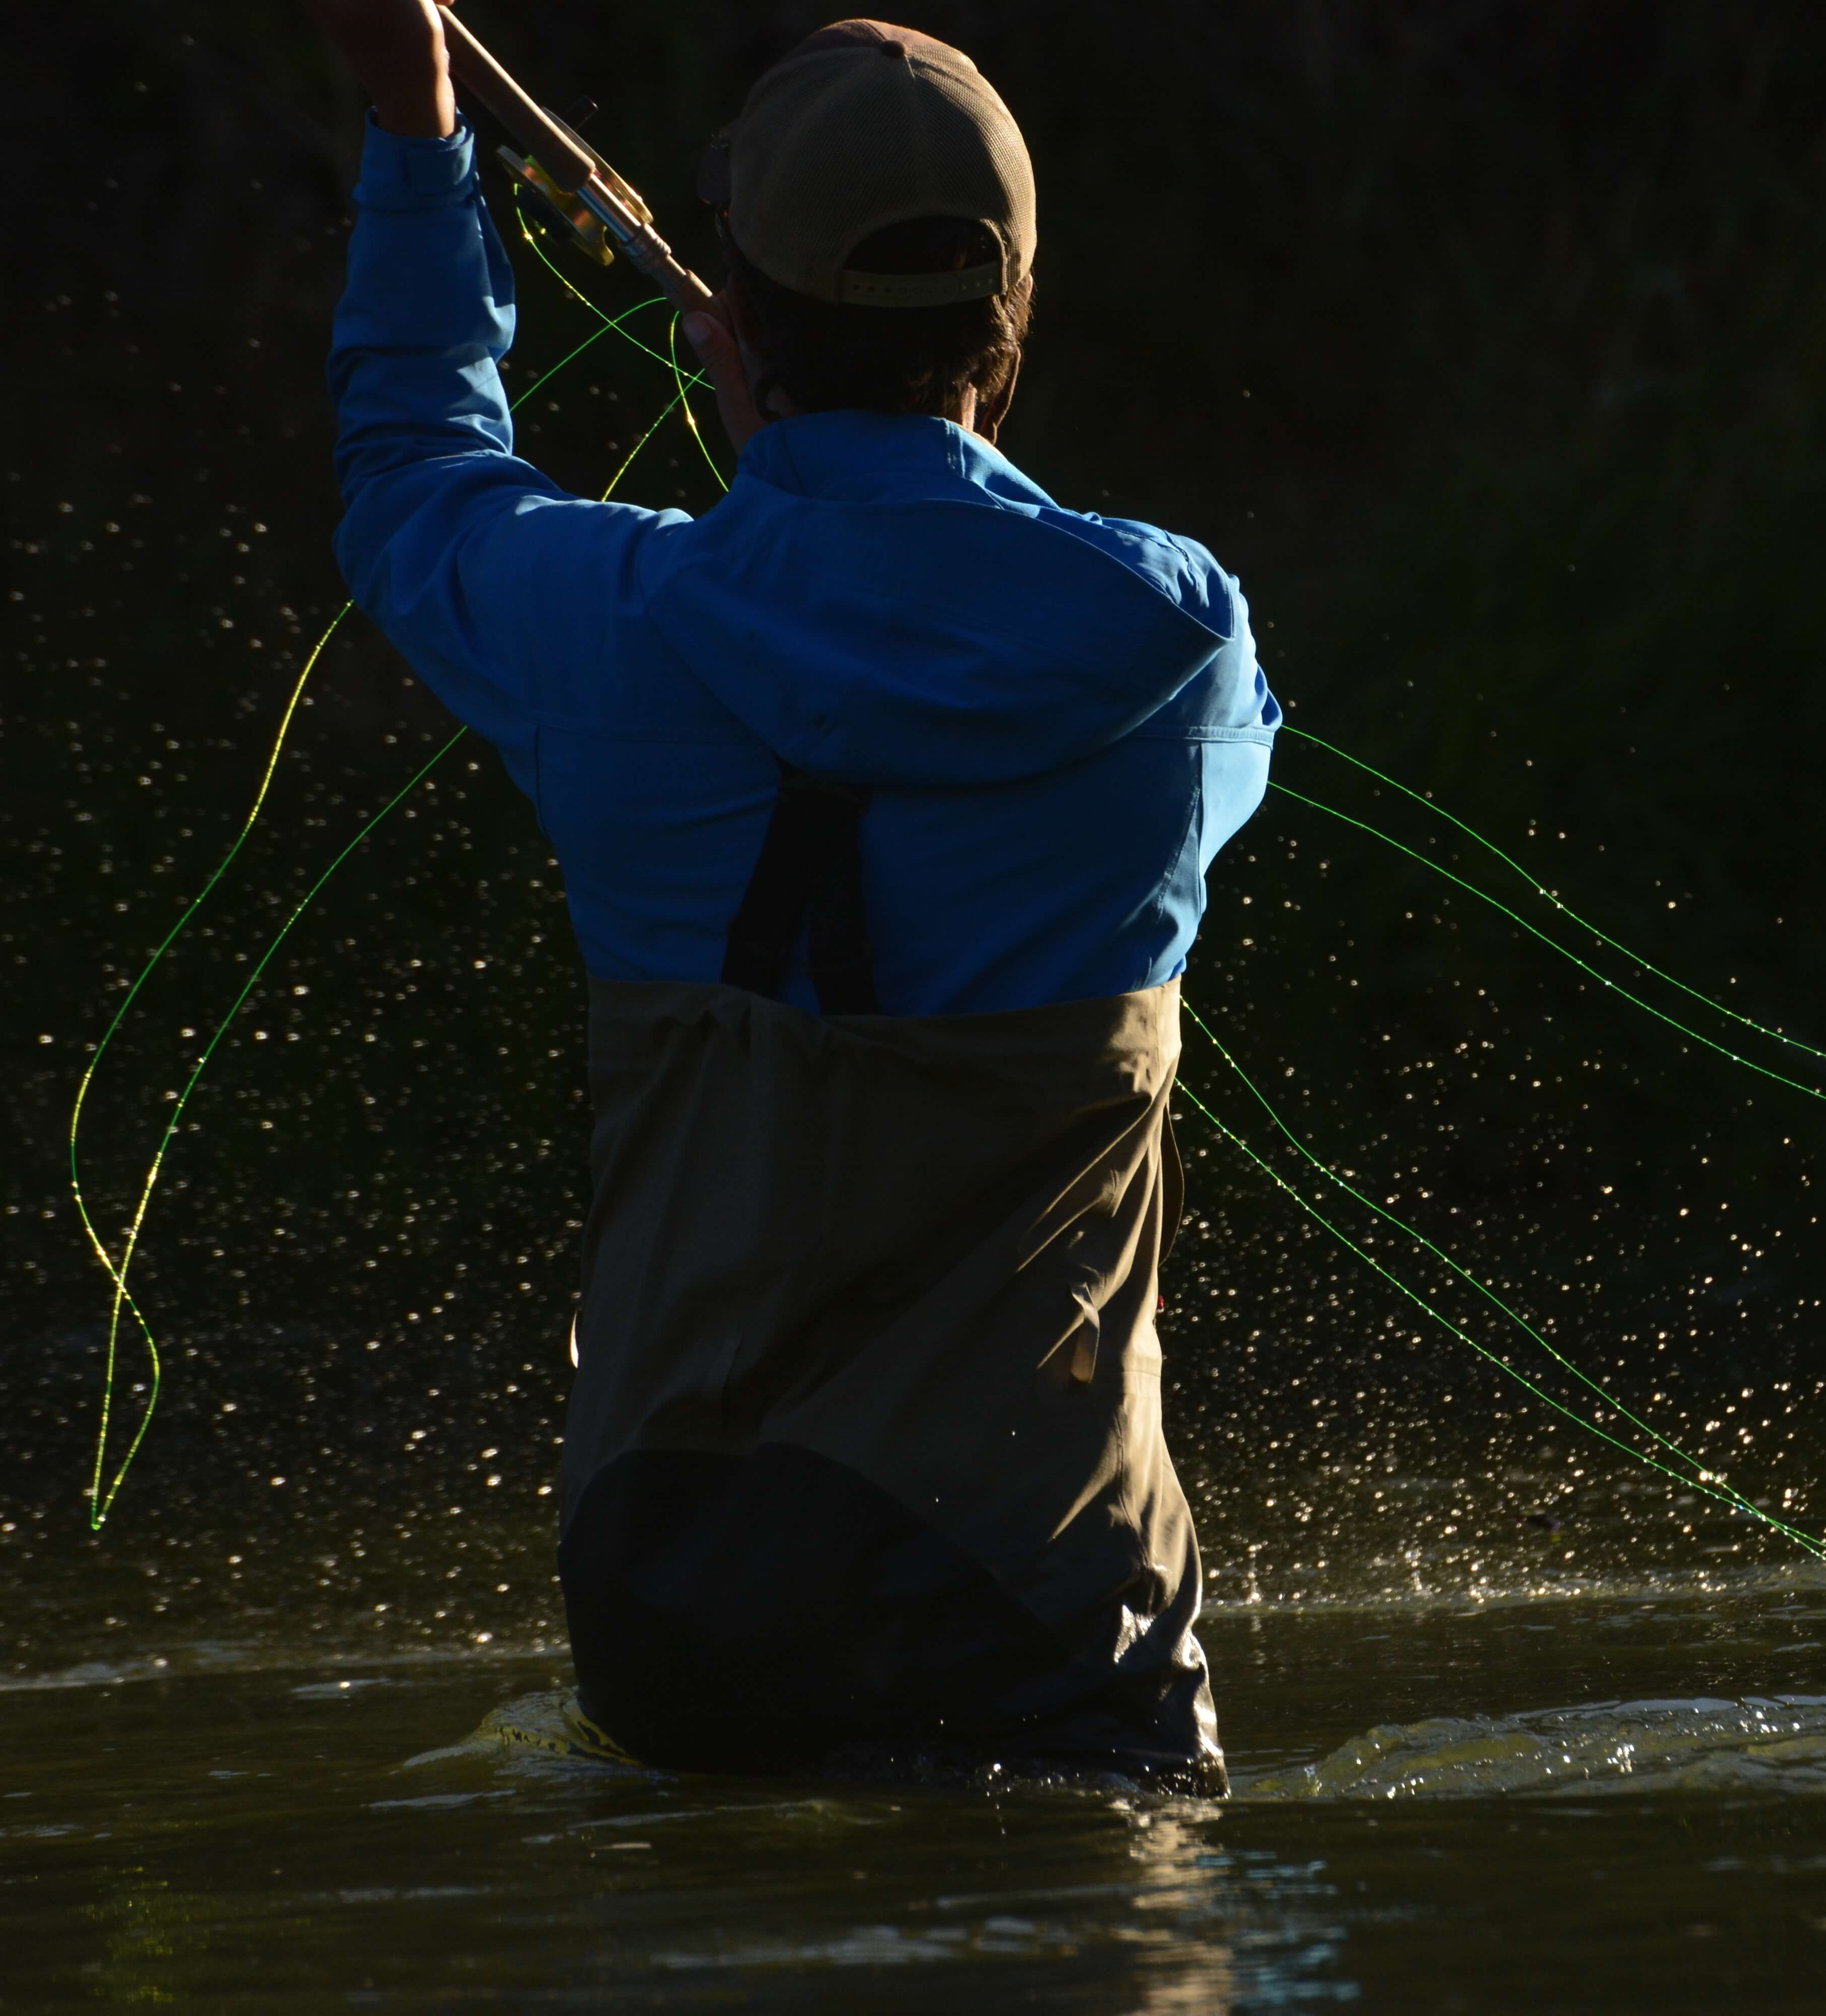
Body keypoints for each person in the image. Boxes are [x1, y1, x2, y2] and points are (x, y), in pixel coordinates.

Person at [303, 2, 1273, 1792]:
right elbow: (1025, 604)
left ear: (738, 318)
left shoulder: (607, 626)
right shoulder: (1178, 652)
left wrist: (420, 133)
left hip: (673, 1603)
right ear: (1013, 324)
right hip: (1029, 1618)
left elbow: (415, 475)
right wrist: (872, 444)